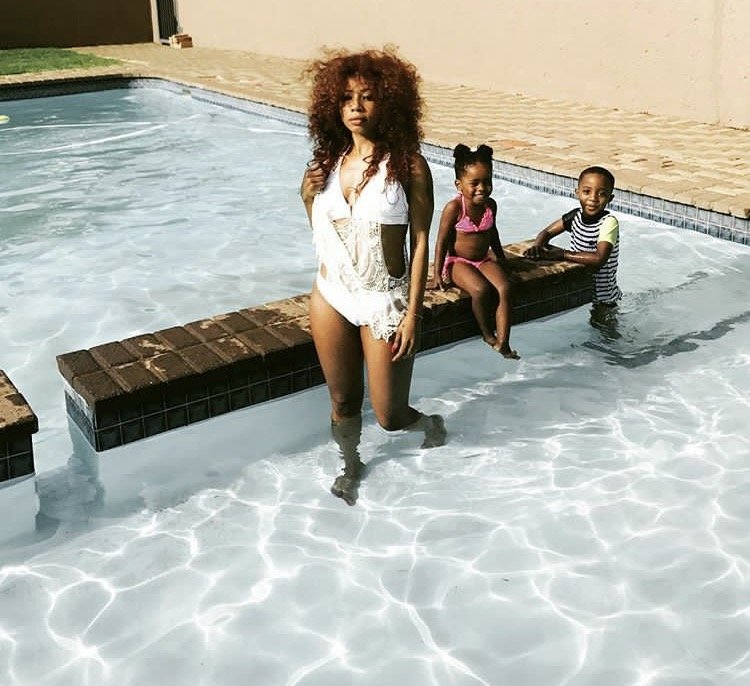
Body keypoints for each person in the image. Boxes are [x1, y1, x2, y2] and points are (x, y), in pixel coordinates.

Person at [299, 48, 446, 506]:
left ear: (389, 102)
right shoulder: (327, 164)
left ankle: (430, 423)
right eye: (346, 98)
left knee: (389, 415)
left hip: (384, 299)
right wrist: (305, 197)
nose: (356, 107)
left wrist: (413, 315)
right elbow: (323, 234)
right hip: (332, 293)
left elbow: (420, 241)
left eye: (367, 96)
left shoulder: (408, 166)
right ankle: (351, 465)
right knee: (343, 401)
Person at [427, 144, 519, 358]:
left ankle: (504, 342)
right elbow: (441, 242)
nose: (482, 188)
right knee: (480, 290)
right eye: (474, 183)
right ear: (459, 185)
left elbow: (493, 234)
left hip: (483, 259)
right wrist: (437, 274)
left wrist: (502, 260)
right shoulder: (454, 208)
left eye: (487, 181)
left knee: (505, 287)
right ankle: (487, 334)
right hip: (458, 262)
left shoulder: (490, 205)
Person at [523, 166, 621, 329]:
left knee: (603, 329)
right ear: (577, 193)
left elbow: (599, 259)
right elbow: (547, 232)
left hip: (604, 297)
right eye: (587, 191)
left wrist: (562, 254)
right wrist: (537, 246)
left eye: (601, 194)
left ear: (610, 198)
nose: (593, 199)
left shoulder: (608, 223)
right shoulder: (575, 216)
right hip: (581, 288)